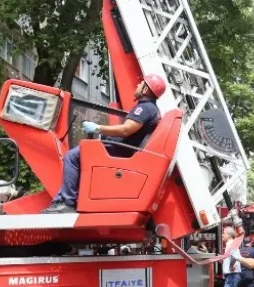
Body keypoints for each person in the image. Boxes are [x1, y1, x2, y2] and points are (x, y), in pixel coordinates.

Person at [43, 74, 166, 214]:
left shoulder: (144, 108)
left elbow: (126, 130)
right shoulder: (153, 110)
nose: (137, 86)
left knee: (72, 157)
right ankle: (68, 199)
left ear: (145, 90)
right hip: (120, 149)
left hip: (115, 150)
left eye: (141, 84)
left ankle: (66, 202)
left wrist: (98, 128)